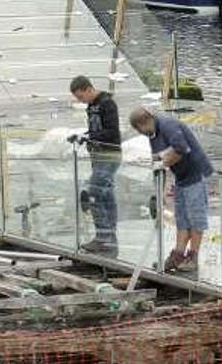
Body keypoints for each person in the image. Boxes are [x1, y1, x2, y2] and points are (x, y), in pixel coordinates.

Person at [130, 107, 213, 272]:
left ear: (143, 123)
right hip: (181, 178)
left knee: (196, 218)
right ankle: (178, 255)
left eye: (139, 130)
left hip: (196, 174)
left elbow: (181, 148)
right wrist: (158, 194)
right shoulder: (152, 135)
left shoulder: (168, 125)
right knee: (182, 218)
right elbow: (157, 164)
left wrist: (164, 161)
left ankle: (193, 257)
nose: (141, 133)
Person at [68, 76, 122, 255]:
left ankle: (102, 237)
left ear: (89, 89)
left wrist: (90, 137)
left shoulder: (107, 104)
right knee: (106, 195)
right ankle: (109, 236)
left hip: (109, 155)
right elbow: (96, 130)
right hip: (97, 156)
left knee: (94, 193)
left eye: (81, 97)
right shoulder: (91, 106)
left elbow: (112, 132)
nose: (81, 101)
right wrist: (82, 135)